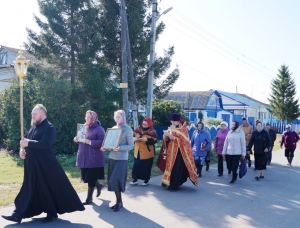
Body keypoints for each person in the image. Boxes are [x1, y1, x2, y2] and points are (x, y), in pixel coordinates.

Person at [1, 104, 84, 224]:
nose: (32, 116)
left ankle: (51, 212)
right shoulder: (33, 127)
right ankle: (18, 213)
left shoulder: (49, 127)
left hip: (45, 165)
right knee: (29, 188)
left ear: (43, 114)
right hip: (32, 164)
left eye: (35, 114)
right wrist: (21, 151)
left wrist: (28, 143)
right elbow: (25, 142)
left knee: (46, 188)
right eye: (32, 114)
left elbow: (45, 144)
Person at [100, 110, 134, 212]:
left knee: (115, 180)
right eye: (115, 117)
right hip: (112, 157)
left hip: (122, 159)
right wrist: (104, 147)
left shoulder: (128, 130)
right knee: (112, 180)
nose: (117, 118)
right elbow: (109, 143)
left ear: (123, 117)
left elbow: (131, 146)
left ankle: (119, 202)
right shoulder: (113, 129)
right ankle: (119, 201)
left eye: (119, 117)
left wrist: (119, 147)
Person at [156, 114, 198, 191]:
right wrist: (165, 137)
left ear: (178, 121)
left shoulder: (182, 129)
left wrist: (174, 138)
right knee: (169, 168)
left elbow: (185, 142)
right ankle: (168, 183)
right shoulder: (170, 128)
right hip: (170, 152)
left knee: (176, 169)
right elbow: (166, 141)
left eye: (174, 121)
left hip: (179, 153)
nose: (173, 122)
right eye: (172, 121)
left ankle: (174, 186)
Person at [74, 110, 105, 205]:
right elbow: (79, 138)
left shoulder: (99, 129)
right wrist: (75, 139)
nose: (86, 119)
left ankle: (89, 198)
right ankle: (98, 185)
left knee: (90, 178)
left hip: (94, 158)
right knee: (85, 177)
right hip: (83, 156)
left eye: (88, 117)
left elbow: (103, 141)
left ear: (93, 118)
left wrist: (90, 142)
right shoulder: (83, 127)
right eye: (86, 117)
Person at [130, 117, 157, 186]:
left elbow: (155, 140)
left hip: (147, 153)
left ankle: (146, 181)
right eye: (143, 124)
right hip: (137, 151)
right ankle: (134, 180)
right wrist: (135, 138)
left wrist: (147, 140)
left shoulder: (152, 131)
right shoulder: (137, 129)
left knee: (146, 167)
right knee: (135, 166)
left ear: (149, 124)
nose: (143, 125)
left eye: (145, 124)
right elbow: (132, 135)